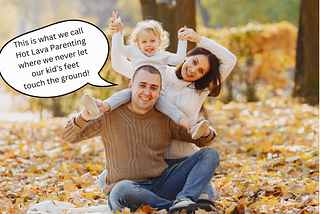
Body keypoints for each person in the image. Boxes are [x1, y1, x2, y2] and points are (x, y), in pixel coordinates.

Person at [106, 15, 237, 201]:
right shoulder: (157, 73)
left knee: (208, 196)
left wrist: (198, 39)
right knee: (107, 179)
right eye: (194, 62)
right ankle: (168, 202)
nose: (193, 70)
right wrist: (116, 34)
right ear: (187, 57)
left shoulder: (200, 89)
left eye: (201, 71)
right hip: (155, 162)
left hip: (186, 161)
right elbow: (119, 64)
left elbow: (230, 60)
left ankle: (181, 201)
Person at [61, 65, 219, 213]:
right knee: (121, 189)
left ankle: (184, 200)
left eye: (153, 88)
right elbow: (69, 137)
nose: (147, 92)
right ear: (131, 86)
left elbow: (201, 140)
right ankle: (175, 207)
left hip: (161, 183)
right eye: (142, 85)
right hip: (128, 189)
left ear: (159, 92)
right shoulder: (109, 116)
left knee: (210, 154)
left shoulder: (165, 118)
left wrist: (204, 131)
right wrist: (84, 117)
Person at [82, 11, 210, 140]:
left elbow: (178, 60)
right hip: (136, 90)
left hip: (157, 93)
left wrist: (182, 41)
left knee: (172, 110)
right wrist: (117, 32)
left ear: (159, 42)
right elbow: (120, 48)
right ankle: (99, 107)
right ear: (138, 44)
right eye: (144, 42)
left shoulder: (163, 56)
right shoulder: (134, 52)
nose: (148, 44)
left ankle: (192, 126)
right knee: (120, 96)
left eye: (152, 41)